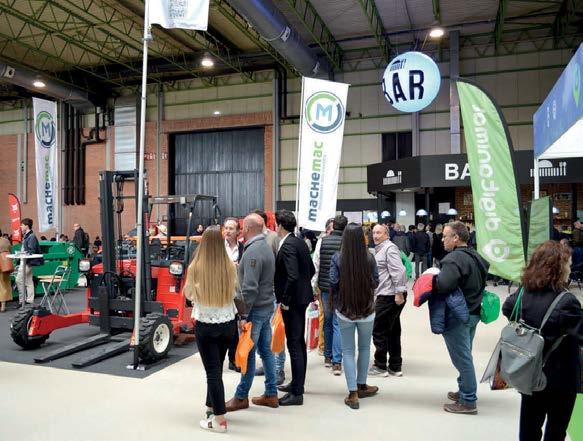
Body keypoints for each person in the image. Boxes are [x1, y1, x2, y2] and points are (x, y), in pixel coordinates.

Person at [502, 241, 582, 441]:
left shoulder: (523, 293)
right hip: (560, 376)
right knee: (556, 429)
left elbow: (507, 308)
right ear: (558, 268)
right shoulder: (567, 302)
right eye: (568, 264)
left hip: (527, 369)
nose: (570, 268)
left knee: (529, 426)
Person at [184, 227, 240, 433]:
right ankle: (211, 407)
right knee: (217, 368)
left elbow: (189, 295)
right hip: (228, 324)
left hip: (206, 324)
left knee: (213, 373)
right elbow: (235, 292)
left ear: (203, 243)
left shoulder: (195, 267)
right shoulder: (230, 266)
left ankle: (219, 420)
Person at [434, 221, 489, 414]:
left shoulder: (453, 259)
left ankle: (468, 400)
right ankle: (464, 389)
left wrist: (433, 278)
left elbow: (443, 285)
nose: (442, 240)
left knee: (462, 358)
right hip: (474, 312)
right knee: (465, 353)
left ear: (456, 238)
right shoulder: (476, 256)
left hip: (458, 315)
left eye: (445, 236)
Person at [226, 214, 279, 412]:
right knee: (266, 351)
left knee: (247, 352)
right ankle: (271, 393)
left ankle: (241, 397)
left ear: (247, 228)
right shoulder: (265, 246)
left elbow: (249, 288)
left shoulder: (253, 251)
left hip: (255, 310)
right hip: (266, 306)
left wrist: (243, 314)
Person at [330, 223, 380, 409]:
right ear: (362, 237)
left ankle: (352, 393)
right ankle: (362, 385)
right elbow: (376, 282)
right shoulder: (369, 257)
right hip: (367, 310)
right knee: (365, 348)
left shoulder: (337, 258)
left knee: (348, 351)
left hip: (344, 310)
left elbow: (333, 282)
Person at [274, 210, 315, 406]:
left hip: (293, 302)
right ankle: (298, 384)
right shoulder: (299, 242)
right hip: (301, 298)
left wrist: (285, 299)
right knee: (298, 342)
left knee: (294, 345)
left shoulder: (289, 244)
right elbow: (311, 269)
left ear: (280, 226)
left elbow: (292, 275)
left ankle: (297, 392)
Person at [368, 224, 407, 378]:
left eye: (379, 232)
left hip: (389, 295)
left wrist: (399, 292)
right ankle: (395, 366)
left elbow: (399, 271)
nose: (375, 235)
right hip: (387, 294)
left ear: (387, 234)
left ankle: (380, 365)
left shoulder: (389, 248)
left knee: (379, 330)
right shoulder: (380, 249)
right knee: (393, 330)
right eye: (374, 233)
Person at [252, 209, 285, 385]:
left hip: (272, 292)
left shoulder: (273, 238)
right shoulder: (252, 238)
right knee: (263, 333)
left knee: (276, 331)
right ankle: (267, 364)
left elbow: (281, 264)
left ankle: (279, 368)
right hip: (257, 294)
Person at [313, 215, 347, 375]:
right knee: (337, 322)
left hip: (325, 287)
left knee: (327, 320)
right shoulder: (347, 243)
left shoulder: (322, 241)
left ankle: (327, 356)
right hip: (342, 288)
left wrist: (314, 287)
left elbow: (316, 265)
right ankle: (337, 361)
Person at [223, 217, 244, 372]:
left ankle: (233, 359)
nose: (228, 231)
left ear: (238, 232)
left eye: (231, 228)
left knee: (235, 327)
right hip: (220, 291)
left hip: (236, 292)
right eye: (226, 228)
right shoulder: (218, 248)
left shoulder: (243, 249)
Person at [17, 218, 42, 307]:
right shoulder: (29, 235)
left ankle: (22, 301)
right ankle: (29, 301)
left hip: (27, 262)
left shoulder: (31, 236)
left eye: (22, 225)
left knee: (19, 280)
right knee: (28, 281)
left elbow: (31, 251)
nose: (20, 227)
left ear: (26, 226)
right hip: (27, 261)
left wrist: (21, 253)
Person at [0, 237, 13, 312]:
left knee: (1, 285)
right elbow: (10, 251)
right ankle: (4, 305)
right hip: (7, 264)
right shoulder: (6, 240)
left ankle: (2, 306)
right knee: (6, 283)